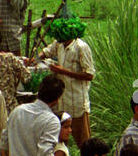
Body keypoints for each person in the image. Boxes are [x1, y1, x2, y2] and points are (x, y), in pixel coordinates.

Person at [36, 16, 94, 145]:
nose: (58, 39)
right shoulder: (59, 44)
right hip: (62, 102)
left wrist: (63, 71)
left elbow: (89, 74)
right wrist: (36, 58)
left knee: (83, 142)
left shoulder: (81, 47)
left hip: (77, 102)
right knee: (59, 140)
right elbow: (46, 51)